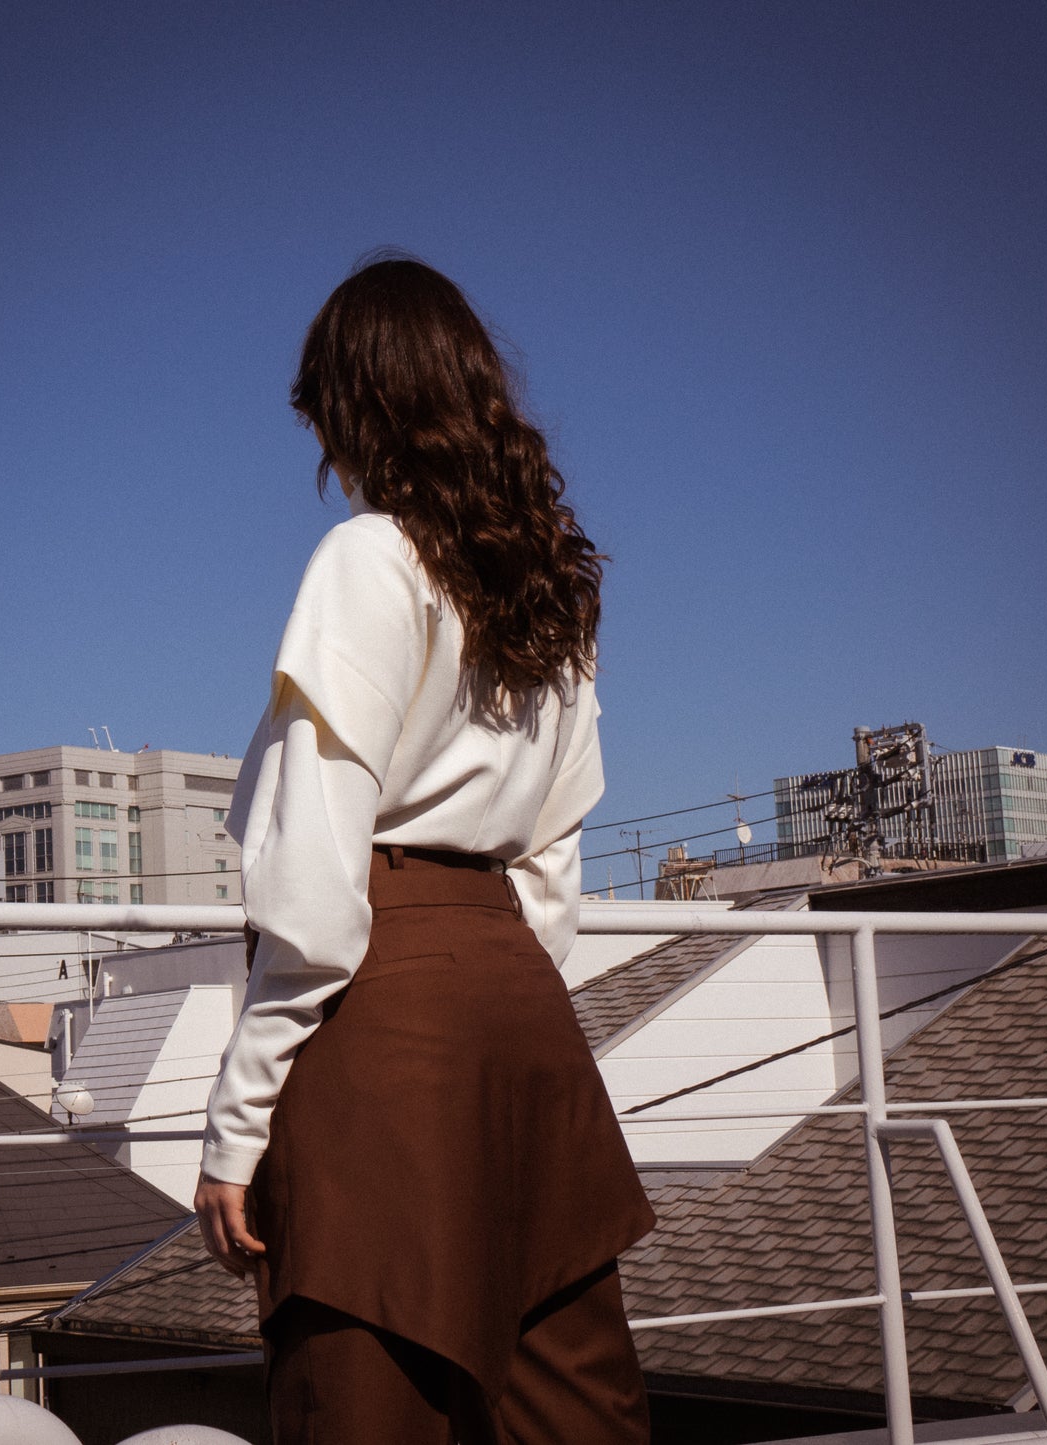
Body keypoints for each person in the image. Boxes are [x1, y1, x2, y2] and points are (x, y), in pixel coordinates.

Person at [195, 255, 655, 1443]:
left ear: (358, 407)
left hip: (383, 1025)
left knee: (367, 1388)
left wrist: (234, 1129)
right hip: (521, 1015)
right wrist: (498, 989)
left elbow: (311, 892)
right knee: (569, 1401)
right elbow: (552, 860)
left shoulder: (367, 560)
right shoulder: (547, 585)